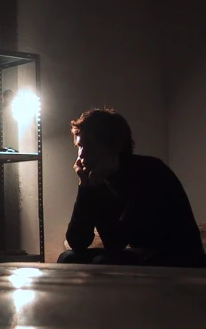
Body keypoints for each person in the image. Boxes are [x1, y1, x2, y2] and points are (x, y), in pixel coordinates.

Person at [57, 108, 204, 267]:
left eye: (90, 146)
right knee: (69, 258)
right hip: (143, 253)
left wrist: (95, 184)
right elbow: (77, 242)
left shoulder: (149, 172)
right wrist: (85, 187)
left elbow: (115, 242)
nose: (81, 155)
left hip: (180, 257)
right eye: (80, 146)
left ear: (114, 147)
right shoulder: (97, 177)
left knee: (105, 262)